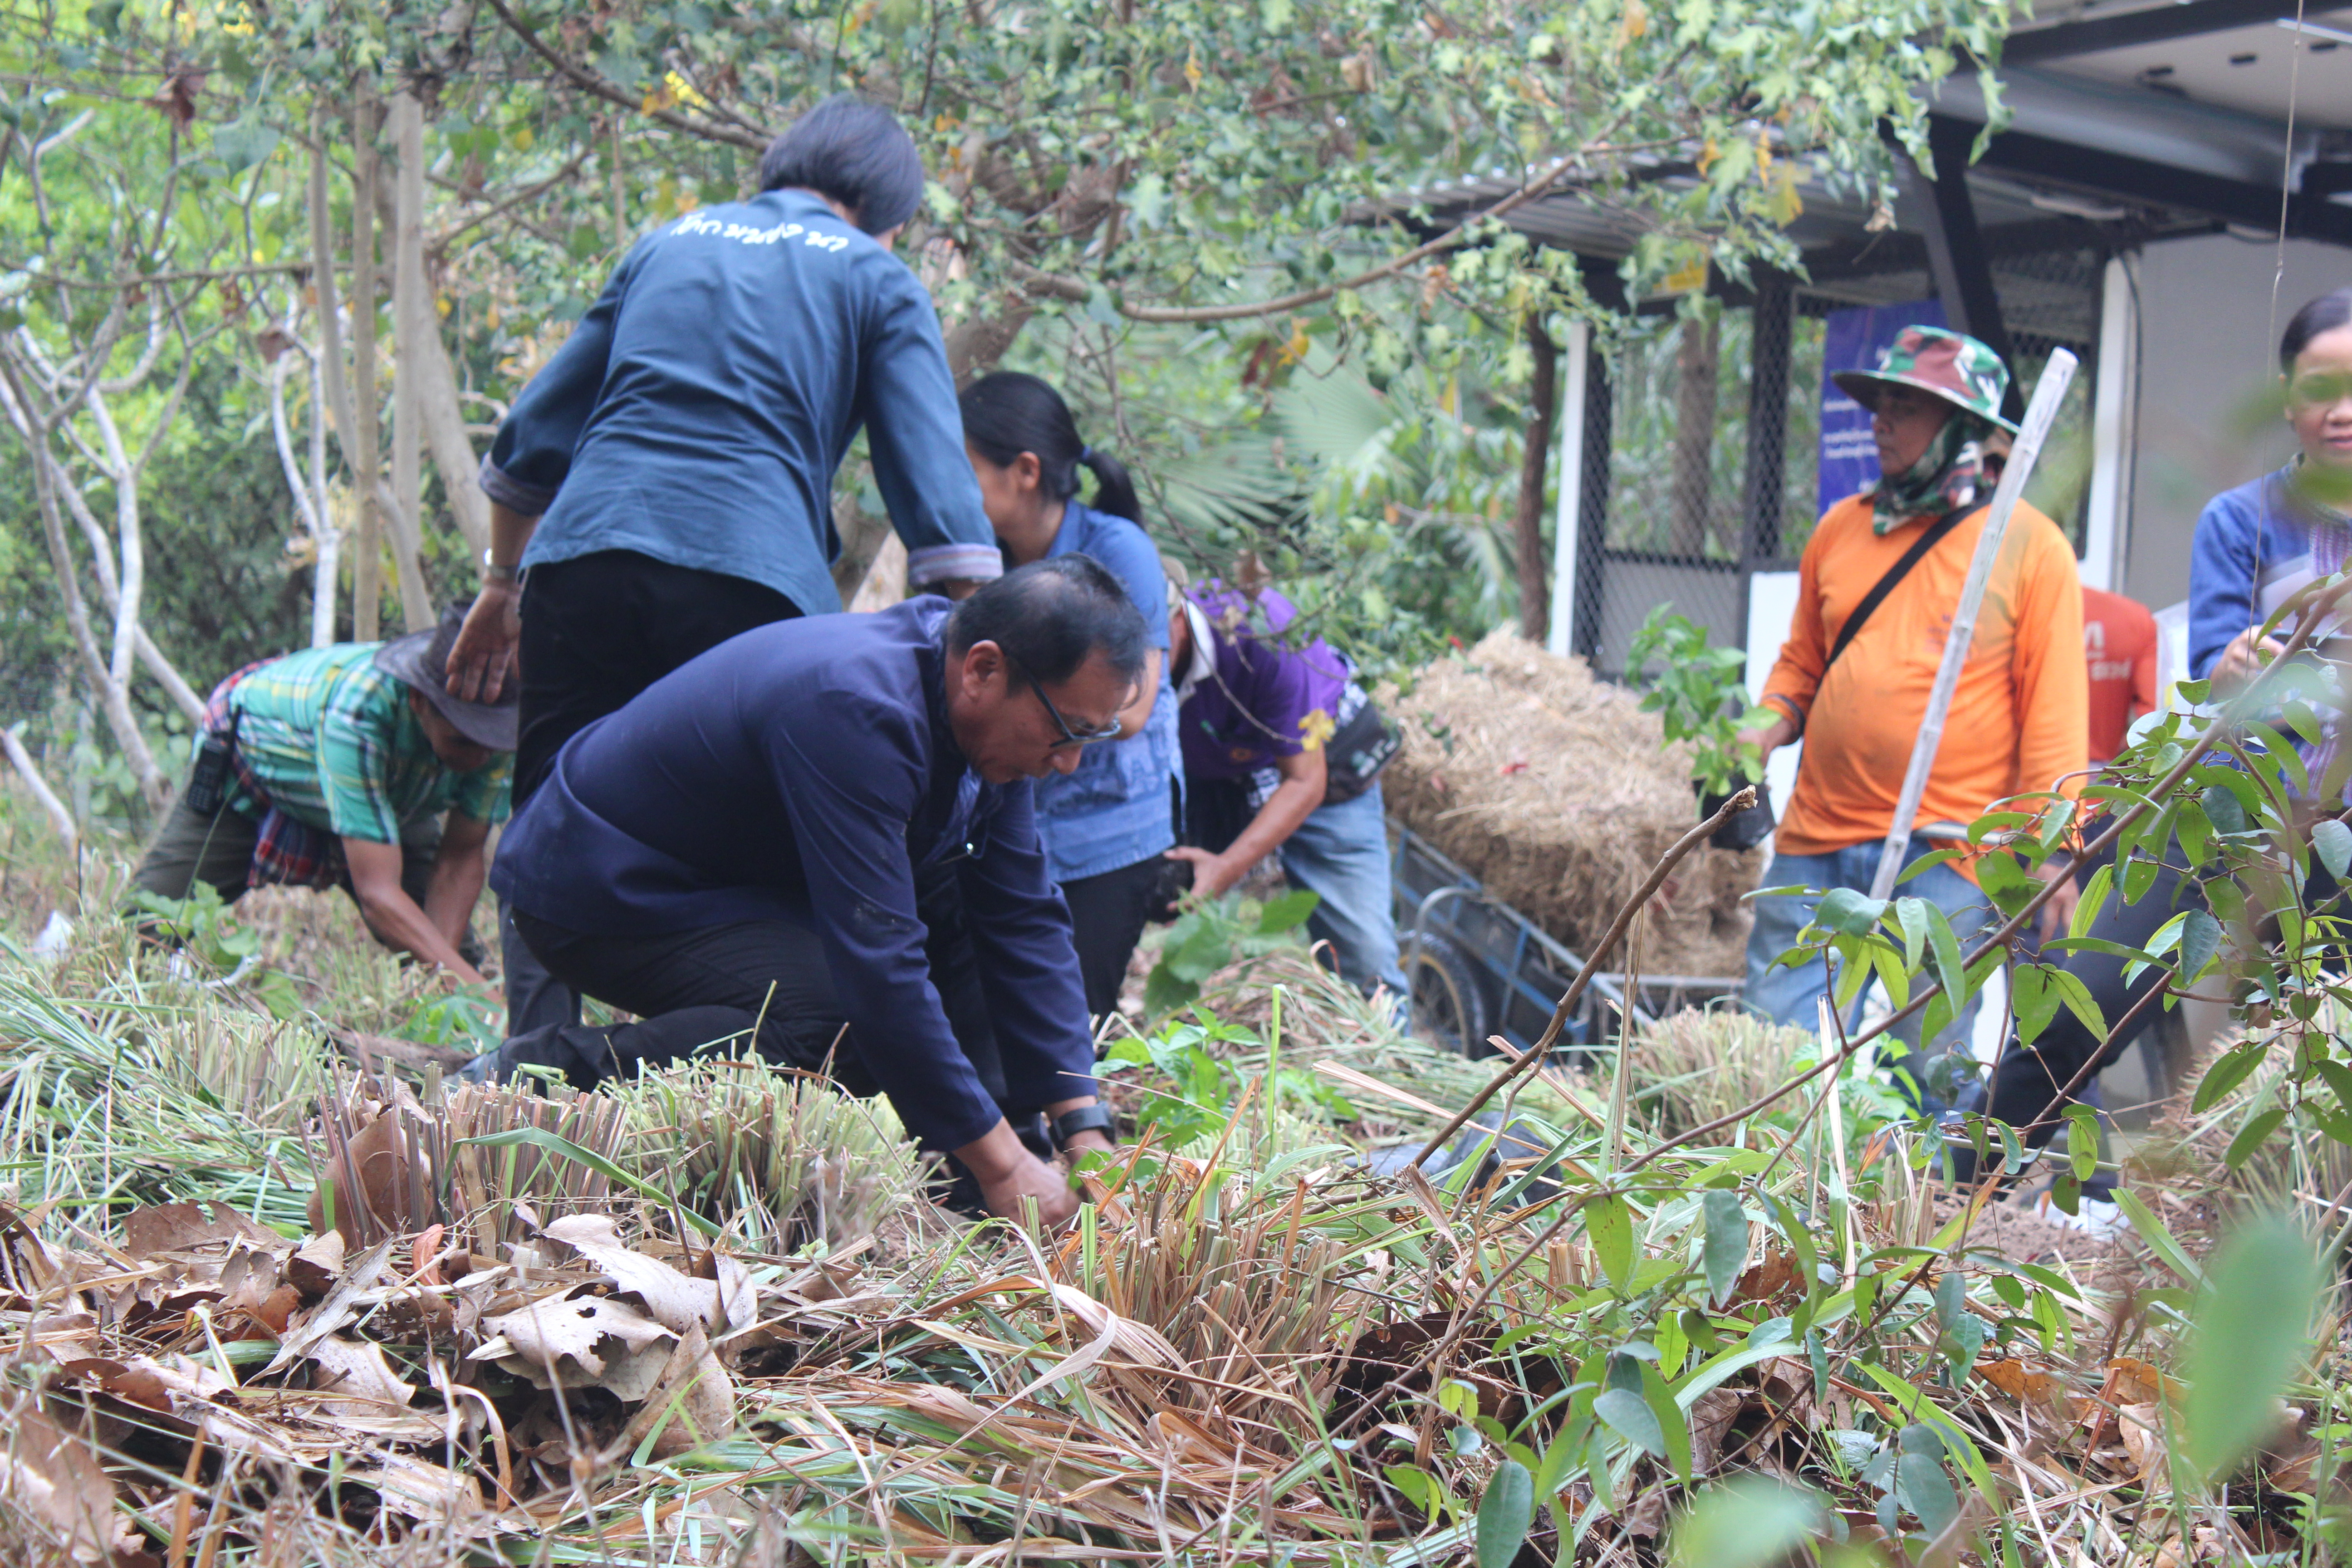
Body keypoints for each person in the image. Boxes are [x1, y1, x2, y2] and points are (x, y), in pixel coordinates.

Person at [440, 95, 1003, 1034]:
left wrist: (502, 583)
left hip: (587, 557)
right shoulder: (877, 276)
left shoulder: (671, 241)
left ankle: (536, 1062)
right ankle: (709, 1044)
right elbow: (937, 502)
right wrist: (986, 652)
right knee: (737, 822)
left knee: (547, 813)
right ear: (894, 217)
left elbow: (536, 432)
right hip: (749, 580)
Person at [475, 560, 1137, 1226]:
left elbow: (1022, 920)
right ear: (984, 670)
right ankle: (531, 1081)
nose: (1070, 761)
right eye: (1068, 730)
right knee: (838, 1023)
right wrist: (1006, 1166)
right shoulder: (858, 708)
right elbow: (880, 969)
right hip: (598, 884)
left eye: (1090, 735)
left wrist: (1084, 1129)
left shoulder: (986, 726)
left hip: (727, 884)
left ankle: (985, 1198)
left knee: (962, 919)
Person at [1963, 288, 2352, 1178]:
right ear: (2287, 396)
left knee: (2309, 1063)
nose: (2343, 410)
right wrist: (2234, 672)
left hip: (2344, 847)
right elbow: (2217, 663)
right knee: (2076, 1005)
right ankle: (1956, 1207)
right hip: (2228, 820)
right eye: (2321, 385)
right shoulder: (2243, 520)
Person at [1738, 325, 2087, 1101]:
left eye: (1905, 406)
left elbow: (2054, 721)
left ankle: (1896, 1215)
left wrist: (2055, 852)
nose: (1879, 421)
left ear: (1966, 427)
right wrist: (1760, 728)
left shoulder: (2030, 548)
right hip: (1815, 839)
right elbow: (1802, 662)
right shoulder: (1839, 528)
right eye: (1878, 403)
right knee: (1764, 1052)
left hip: (1952, 858)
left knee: (1921, 1073)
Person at [132, 606, 513, 985]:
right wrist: (476, 993)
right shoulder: (358, 713)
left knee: (456, 963)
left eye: (490, 743)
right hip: (254, 777)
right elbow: (378, 893)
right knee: (141, 935)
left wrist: (451, 983)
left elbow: (460, 857)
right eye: (462, 740)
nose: (479, 757)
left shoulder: (495, 735)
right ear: (418, 702)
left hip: (389, 803)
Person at [962, 372, 1177, 1018]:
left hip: (1109, 835)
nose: (950, 486)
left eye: (964, 467)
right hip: (1016, 823)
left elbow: (1134, 710)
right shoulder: (983, 561)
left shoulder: (1119, 550)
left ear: (1024, 471)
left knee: (1069, 1019)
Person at [1167, 579, 1408, 1005]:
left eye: (1146, 648)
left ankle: (1380, 1059)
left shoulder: (1262, 632)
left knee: (1365, 957)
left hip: (1323, 771)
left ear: (1178, 620)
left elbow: (1304, 782)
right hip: (1218, 775)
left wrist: (1226, 867)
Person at [2082, 585, 2160, 765]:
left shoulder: (2021, 612)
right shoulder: (2134, 617)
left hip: (2023, 782)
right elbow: (2153, 713)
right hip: (2101, 779)